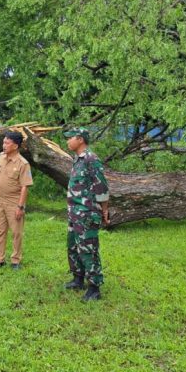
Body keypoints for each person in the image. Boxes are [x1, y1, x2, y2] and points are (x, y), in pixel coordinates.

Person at [63, 127, 110, 301]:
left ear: (80, 139)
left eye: (70, 138)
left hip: (87, 213)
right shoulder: (78, 159)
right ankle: (78, 278)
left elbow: (102, 187)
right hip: (75, 212)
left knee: (88, 249)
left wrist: (104, 210)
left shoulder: (91, 159)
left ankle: (94, 288)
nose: (67, 141)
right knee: (73, 247)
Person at [0, 131, 33, 270]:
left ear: (15, 145)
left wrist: (20, 207)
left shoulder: (23, 164)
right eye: (3, 142)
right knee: (0, 230)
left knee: (16, 232)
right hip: (0, 200)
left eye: (7, 143)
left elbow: (25, 187)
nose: (4, 145)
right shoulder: (2, 156)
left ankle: (15, 261)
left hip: (14, 202)